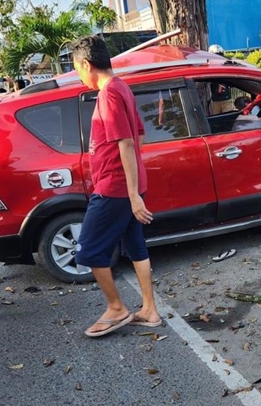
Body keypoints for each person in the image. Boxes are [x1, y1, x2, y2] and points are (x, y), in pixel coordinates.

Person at [70, 35, 161, 337]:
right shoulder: (121, 87)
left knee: (88, 251)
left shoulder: (109, 93)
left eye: (77, 69)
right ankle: (149, 310)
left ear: (87, 64)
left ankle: (116, 308)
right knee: (135, 246)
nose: (79, 76)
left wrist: (132, 194)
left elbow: (125, 142)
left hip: (115, 188)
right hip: (128, 185)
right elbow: (139, 135)